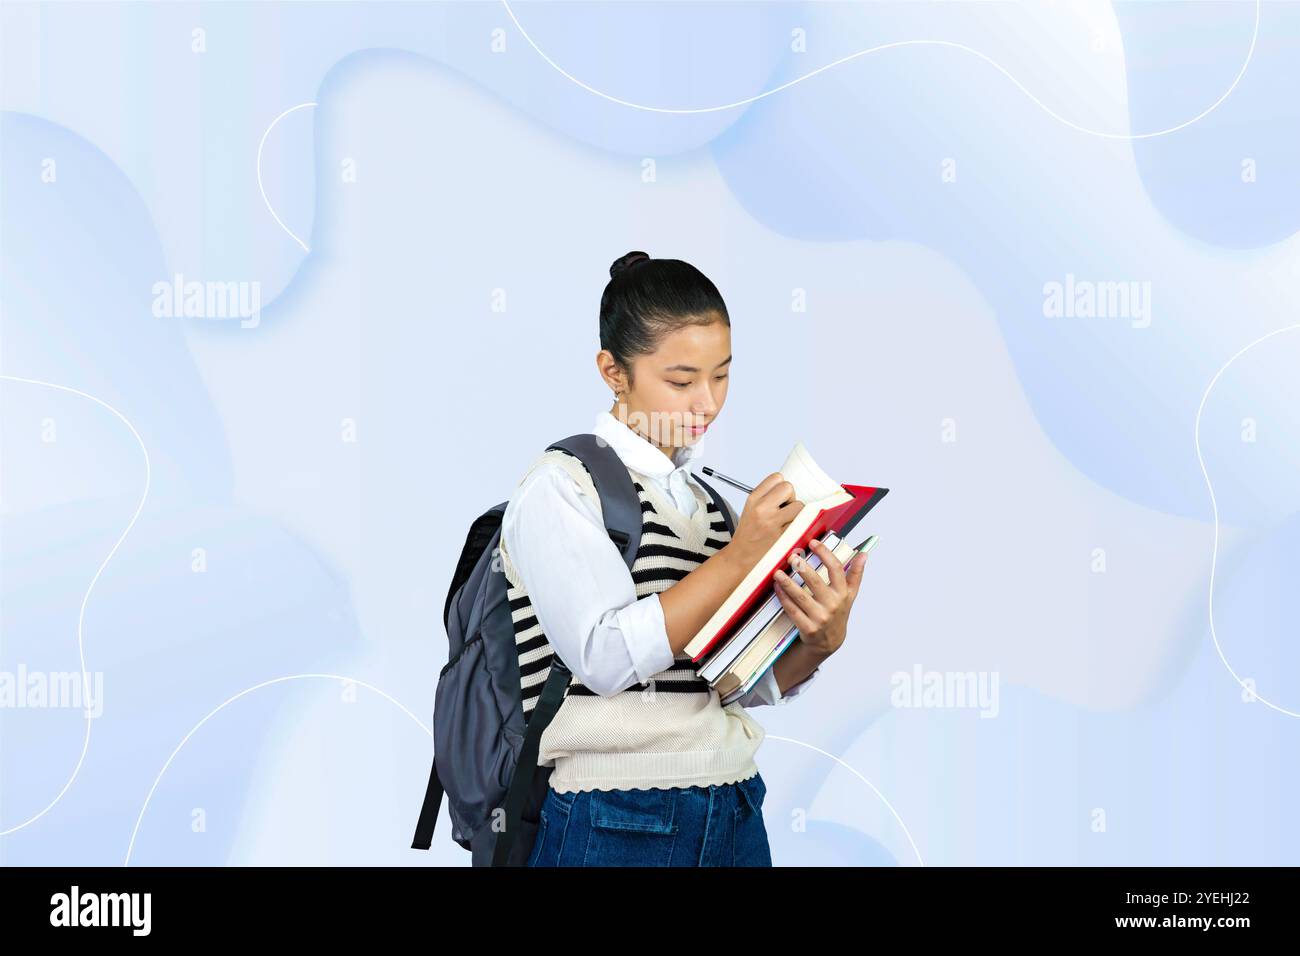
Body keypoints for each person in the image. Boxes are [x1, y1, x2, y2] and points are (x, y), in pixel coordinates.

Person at [498, 251, 871, 866]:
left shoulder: (713, 507)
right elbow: (606, 659)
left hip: (733, 807)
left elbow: (732, 684)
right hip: (616, 818)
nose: (707, 402)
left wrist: (820, 639)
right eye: (681, 380)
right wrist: (740, 557)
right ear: (613, 372)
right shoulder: (562, 487)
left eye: (721, 375)